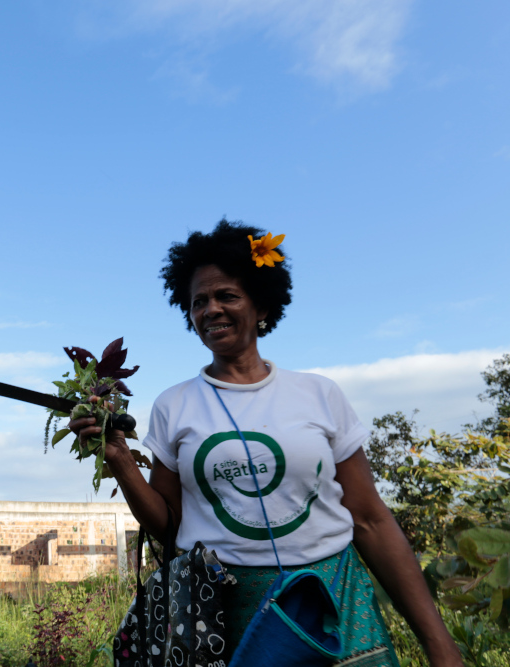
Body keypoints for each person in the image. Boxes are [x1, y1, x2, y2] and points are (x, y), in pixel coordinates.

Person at [70, 220, 463, 666]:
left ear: (261, 305)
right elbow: (170, 527)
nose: (210, 310)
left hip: (335, 598)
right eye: (198, 302)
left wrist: (439, 644)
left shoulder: (319, 394)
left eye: (227, 296)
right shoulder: (174, 405)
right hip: (227, 610)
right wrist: (121, 460)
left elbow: (371, 520)